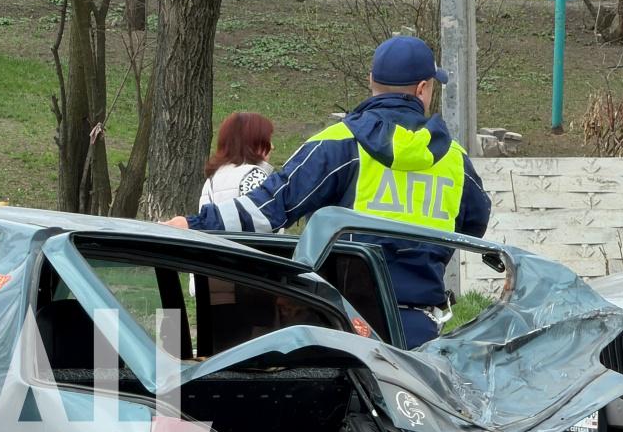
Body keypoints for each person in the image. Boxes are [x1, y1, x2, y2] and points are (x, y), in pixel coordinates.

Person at [168, 36, 491, 346]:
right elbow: (471, 228)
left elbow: (266, 210)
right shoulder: (455, 159)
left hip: (344, 325)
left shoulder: (336, 144)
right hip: (419, 328)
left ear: (370, 81)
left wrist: (191, 225)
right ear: (423, 88)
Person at [200, 111, 274, 210]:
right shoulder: (254, 175)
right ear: (254, 143)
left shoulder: (212, 180)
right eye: (268, 141)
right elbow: (265, 220)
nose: (272, 147)